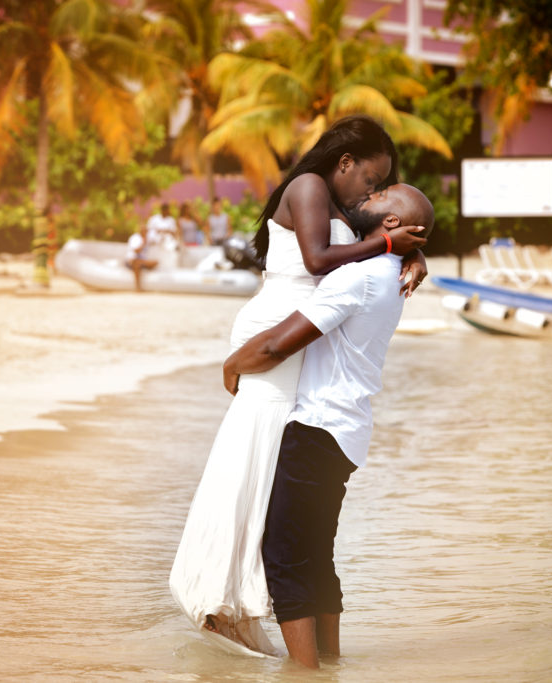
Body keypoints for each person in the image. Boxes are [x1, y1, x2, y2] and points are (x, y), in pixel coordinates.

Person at [169, 115, 428, 657]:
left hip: (299, 334)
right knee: (257, 466)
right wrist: (387, 243)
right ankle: (226, 592)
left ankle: (279, 632)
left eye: (381, 188)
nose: (371, 190)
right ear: (344, 162)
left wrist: (407, 249)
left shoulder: (351, 217)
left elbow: (372, 236)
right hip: (278, 330)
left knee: (274, 480)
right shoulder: (309, 186)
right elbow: (316, 260)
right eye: (370, 178)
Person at [223, 183, 435, 668]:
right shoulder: (386, 273)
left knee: (284, 555)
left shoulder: (357, 279)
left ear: (394, 226)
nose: (369, 194)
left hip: (317, 428)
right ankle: (329, 665)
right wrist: (419, 254)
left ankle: (305, 672)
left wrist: (233, 363)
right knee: (315, 554)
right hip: (346, 432)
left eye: (383, 193)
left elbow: (279, 344)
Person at [125, 223, 158, 292]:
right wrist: (143, 243)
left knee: (155, 262)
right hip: (132, 260)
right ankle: (138, 287)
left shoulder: (148, 239)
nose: (145, 232)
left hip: (142, 261)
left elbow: (156, 239)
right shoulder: (135, 238)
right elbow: (136, 251)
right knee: (137, 263)